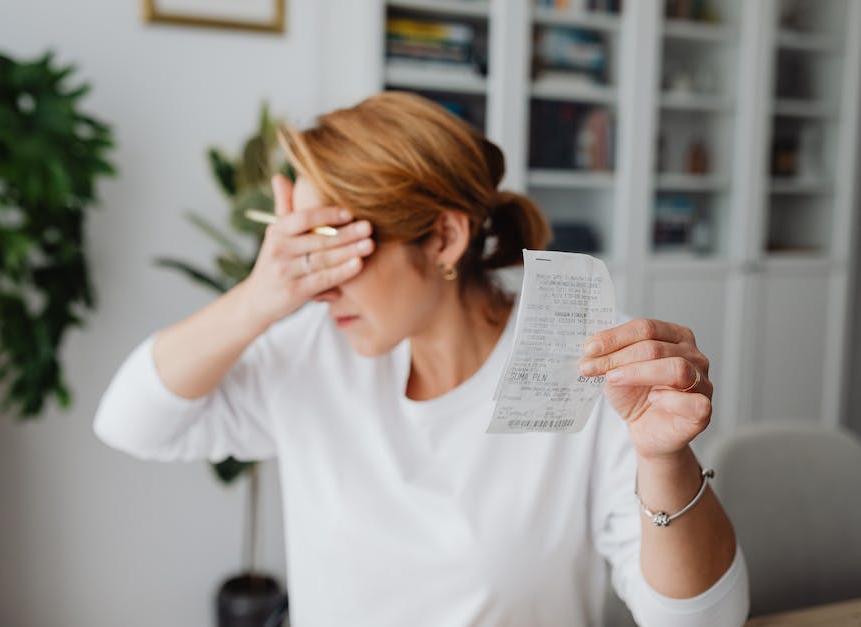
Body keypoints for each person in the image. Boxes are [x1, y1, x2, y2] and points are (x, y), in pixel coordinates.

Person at [94, 92, 748, 626]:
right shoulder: (312, 353)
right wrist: (258, 299)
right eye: (304, 253)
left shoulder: (583, 367)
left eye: (335, 246)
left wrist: (665, 460)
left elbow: (703, 622)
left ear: (443, 236)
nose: (319, 286)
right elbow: (129, 423)